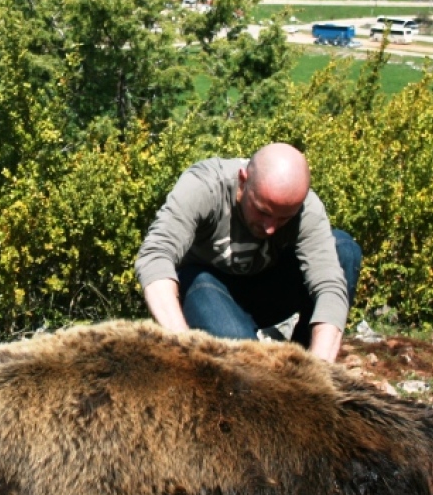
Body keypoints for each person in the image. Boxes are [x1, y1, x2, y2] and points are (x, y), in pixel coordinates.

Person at [135, 144, 362, 363]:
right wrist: (183, 344)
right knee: (245, 362)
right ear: (243, 181)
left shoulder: (306, 209)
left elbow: (330, 285)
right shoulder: (204, 186)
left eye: (284, 218)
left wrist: (319, 369)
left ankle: (301, 365)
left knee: (343, 249)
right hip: (205, 289)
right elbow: (155, 256)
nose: (270, 228)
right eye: (262, 211)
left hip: (263, 290)